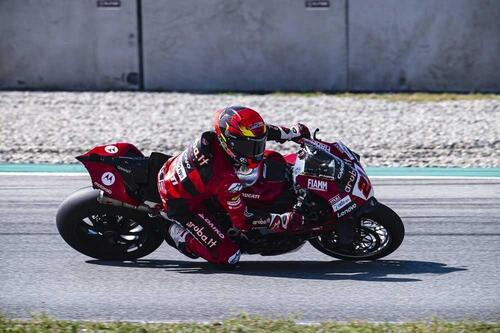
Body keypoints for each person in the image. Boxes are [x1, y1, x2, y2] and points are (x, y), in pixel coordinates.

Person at [158, 106, 310, 267]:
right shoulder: (225, 178)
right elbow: (242, 220)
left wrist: (292, 133)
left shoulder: (218, 137)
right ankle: (177, 233)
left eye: (258, 145)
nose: (255, 152)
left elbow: (263, 132)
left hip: (181, 175)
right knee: (229, 257)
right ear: (228, 142)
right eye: (249, 148)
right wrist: (280, 220)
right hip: (181, 204)